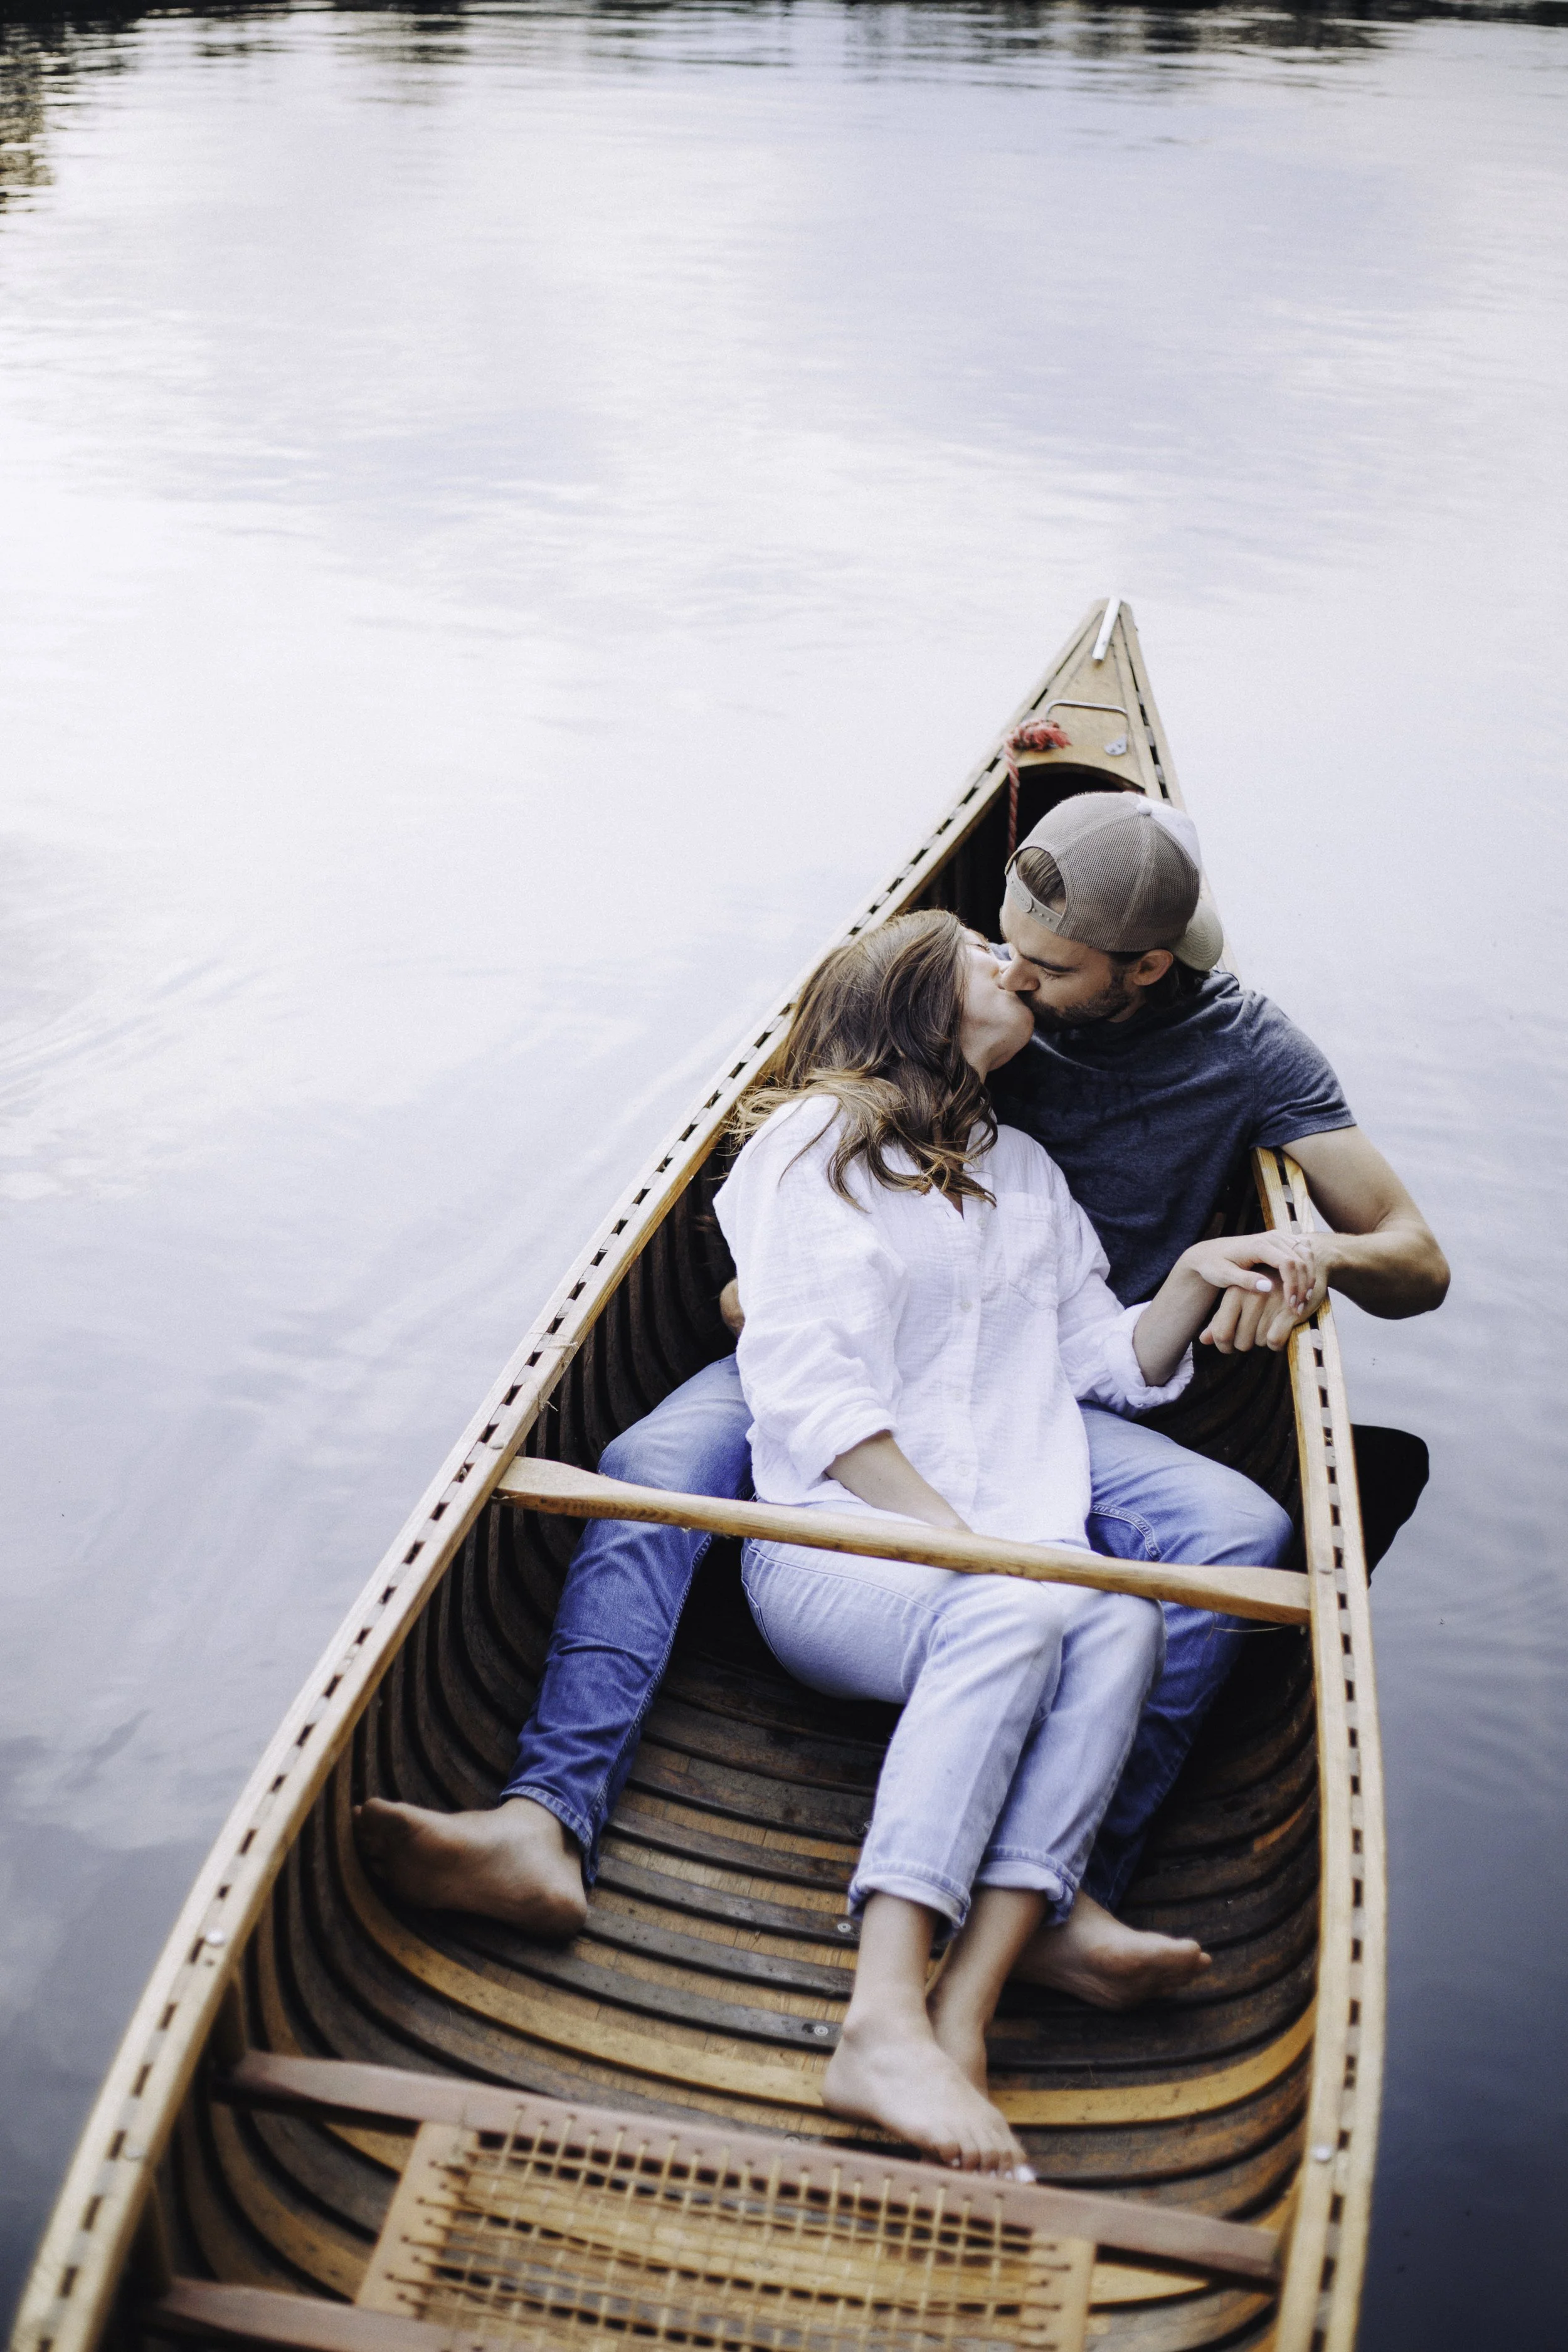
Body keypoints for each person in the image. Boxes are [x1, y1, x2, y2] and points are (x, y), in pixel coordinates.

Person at [357, 788, 1448, 1983]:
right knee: (655, 1466)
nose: (1018, 977)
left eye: (1047, 969)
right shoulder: (902, 1074)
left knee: (1244, 1531)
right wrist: (770, 1305)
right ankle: (545, 1814)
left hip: (1041, 1370)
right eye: (1000, 948)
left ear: (1141, 970)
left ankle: (1068, 1884)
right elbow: (823, 1176)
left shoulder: (1225, 1055)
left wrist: (1298, 1255)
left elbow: (1407, 1260)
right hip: (871, 1347)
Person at [716, 909, 1316, 2170]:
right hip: (836, 1549)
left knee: (1111, 1615)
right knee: (1026, 1602)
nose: (1014, 964)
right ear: (918, 1005)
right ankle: (875, 2021)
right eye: (983, 957)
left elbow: (1100, 1362)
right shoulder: (810, 1145)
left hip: (998, 1570)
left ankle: (963, 2011)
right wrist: (960, 1543)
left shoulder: (1022, 1171)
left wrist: (1203, 1267)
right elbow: (809, 1393)